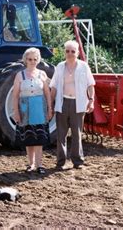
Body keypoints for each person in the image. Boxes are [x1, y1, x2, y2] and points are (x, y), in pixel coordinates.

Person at [49, 40, 95, 169]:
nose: (70, 53)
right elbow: (54, 87)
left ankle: (78, 161)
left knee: (77, 133)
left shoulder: (84, 67)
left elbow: (90, 85)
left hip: (78, 103)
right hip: (62, 102)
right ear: (64, 52)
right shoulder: (60, 66)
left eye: (73, 51)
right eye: (67, 51)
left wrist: (91, 100)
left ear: (78, 53)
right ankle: (60, 162)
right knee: (61, 135)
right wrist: (50, 105)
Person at [12, 47, 53, 174]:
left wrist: (49, 109)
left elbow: (47, 93)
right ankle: (31, 164)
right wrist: (16, 112)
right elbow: (15, 96)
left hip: (39, 108)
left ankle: (40, 164)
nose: (32, 61)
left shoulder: (42, 74)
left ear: (38, 60)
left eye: (35, 59)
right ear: (25, 60)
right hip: (25, 109)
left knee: (39, 137)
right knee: (28, 137)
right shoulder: (20, 75)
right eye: (30, 59)